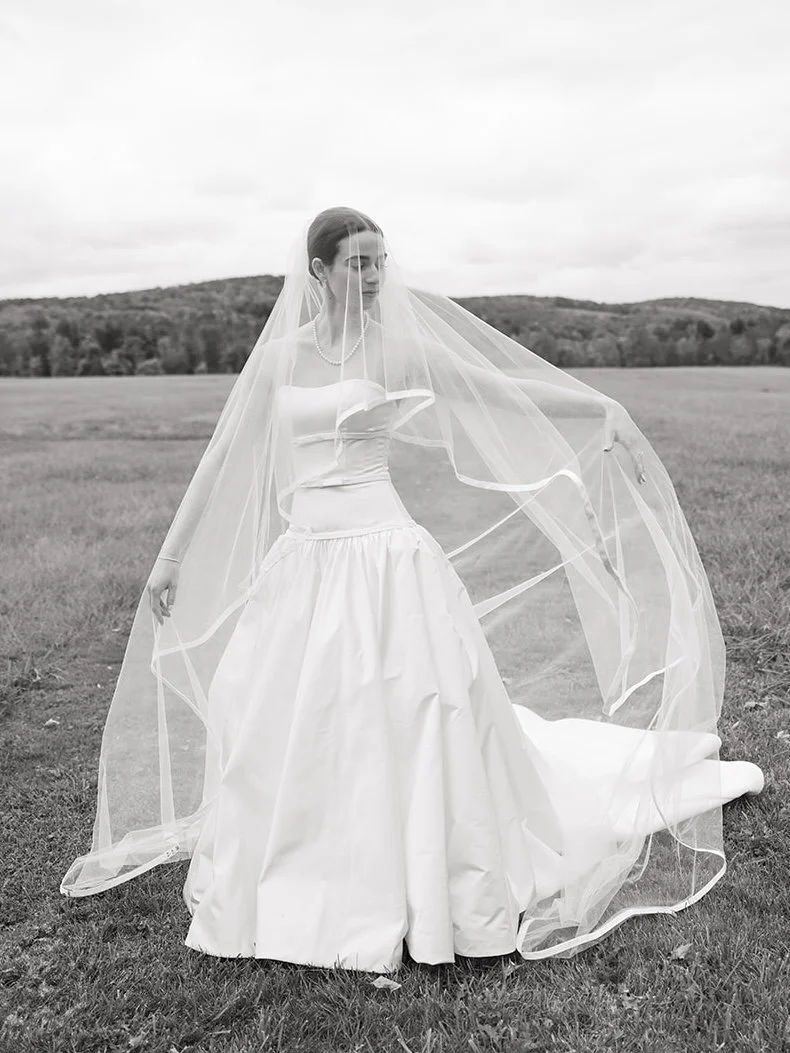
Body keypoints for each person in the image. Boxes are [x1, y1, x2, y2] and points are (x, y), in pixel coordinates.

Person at [60, 206, 764, 973]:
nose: (371, 277)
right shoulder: (279, 359)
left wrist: (602, 406)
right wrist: (169, 558)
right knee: (296, 717)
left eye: (380, 261)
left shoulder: (395, 349)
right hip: (306, 561)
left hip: (388, 556)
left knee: (412, 710)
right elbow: (224, 456)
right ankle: (303, 868)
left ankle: (423, 874)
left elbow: (495, 388)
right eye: (356, 262)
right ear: (317, 271)